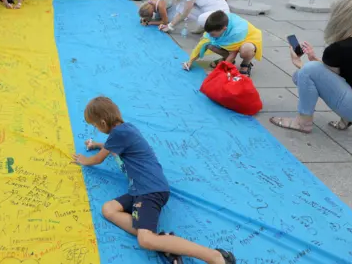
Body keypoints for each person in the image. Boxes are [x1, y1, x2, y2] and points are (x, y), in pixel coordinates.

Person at [73, 96, 237, 264]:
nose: (96, 129)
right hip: (139, 189)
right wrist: (96, 145)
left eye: (94, 125)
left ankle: (215, 256)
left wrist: (84, 160)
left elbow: (98, 159)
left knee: (145, 240)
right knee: (108, 209)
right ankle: (165, 242)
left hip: (150, 190)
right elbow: (111, 148)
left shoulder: (118, 134)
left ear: (102, 122)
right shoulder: (125, 129)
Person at [270, 0, 352, 133]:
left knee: (303, 73)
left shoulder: (340, 47)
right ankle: (346, 119)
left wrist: (298, 62)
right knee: (305, 73)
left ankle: (303, 122)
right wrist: (315, 60)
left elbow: (321, 75)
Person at [182, 10, 262, 76]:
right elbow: (202, 44)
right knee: (209, 44)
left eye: (213, 34)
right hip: (231, 38)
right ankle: (226, 61)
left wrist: (217, 72)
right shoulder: (217, 26)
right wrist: (190, 61)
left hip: (248, 39)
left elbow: (233, 53)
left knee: (246, 50)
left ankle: (245, 64)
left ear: (224, 29)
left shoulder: (237, 31)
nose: (211, 36)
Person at [139, 0, 229, 33]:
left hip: (220, 13)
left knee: (192, 14)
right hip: (209, 10)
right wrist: (169, 26)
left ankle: (208, 28)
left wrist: (169, 26)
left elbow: (185, 13)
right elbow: (180, 12)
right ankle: (205, 26)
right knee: (181, 9)